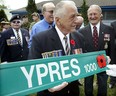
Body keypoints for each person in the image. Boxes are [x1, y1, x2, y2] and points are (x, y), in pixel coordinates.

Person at [28, 1, 85, 96]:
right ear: (58, 20)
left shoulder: (79, 37)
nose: (77, 20)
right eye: (72, 17)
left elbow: (84, 60)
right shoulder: (40, 39)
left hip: (73, 91)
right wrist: (47, 86)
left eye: (77, 15)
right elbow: (32, 70)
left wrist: (100, 60)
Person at [79, 4, 115, 96]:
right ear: (87, 16)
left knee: (103, 85)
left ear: (100, 15)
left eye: (95, 14)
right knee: (88, 85)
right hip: (88, 63)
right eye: (90, 14)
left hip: (104, 62)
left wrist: (112, 63)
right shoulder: (82, 31)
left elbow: (112, 48)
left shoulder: (109, 29)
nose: (92, 16)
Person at [109, 21, 116, 88]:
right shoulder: (113, 24)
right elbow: (112, 38)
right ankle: (112, 81)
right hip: (114, 49)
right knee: (113, 65)